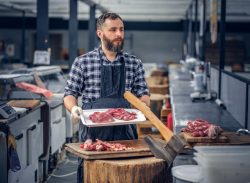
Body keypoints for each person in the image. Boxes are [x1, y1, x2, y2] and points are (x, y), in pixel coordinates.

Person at [63, 12, 150, 182]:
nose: (119, 34)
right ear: (100, 33)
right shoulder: (83, 62)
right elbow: (70, 93)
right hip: (93, 136)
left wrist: (144, 106)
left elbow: (143, 93)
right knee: (93, 176)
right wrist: (73, 108)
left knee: (126, 176)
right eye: (113, 30)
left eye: (121, 29)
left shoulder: (134, 63)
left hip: (125, 134)